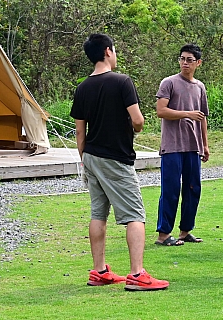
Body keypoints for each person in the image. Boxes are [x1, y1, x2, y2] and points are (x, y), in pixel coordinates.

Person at [70, 33, 168, 291]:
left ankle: (99, 271)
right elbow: (137, 120)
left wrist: (84, 160)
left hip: (90, 155)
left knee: (97, 213)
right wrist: (134, 129)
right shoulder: (122, 81)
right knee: (135, 214)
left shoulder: (82, 88)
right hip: (116, 158)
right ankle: (137, 274)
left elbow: (80, 131)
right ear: (108, 51)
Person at [155, 44, 210, 247]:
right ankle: (163, 234)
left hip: (193, 146)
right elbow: (161, 111)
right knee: (170, 189)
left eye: (189, 59)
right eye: (182, 59)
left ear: (198, 63)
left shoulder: (200, 87)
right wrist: (187, 114)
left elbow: (202, 118)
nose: (185, 63)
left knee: (193, 189)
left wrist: (205, 144)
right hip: (172, 146)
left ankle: (185, 232)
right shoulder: (168, 83)